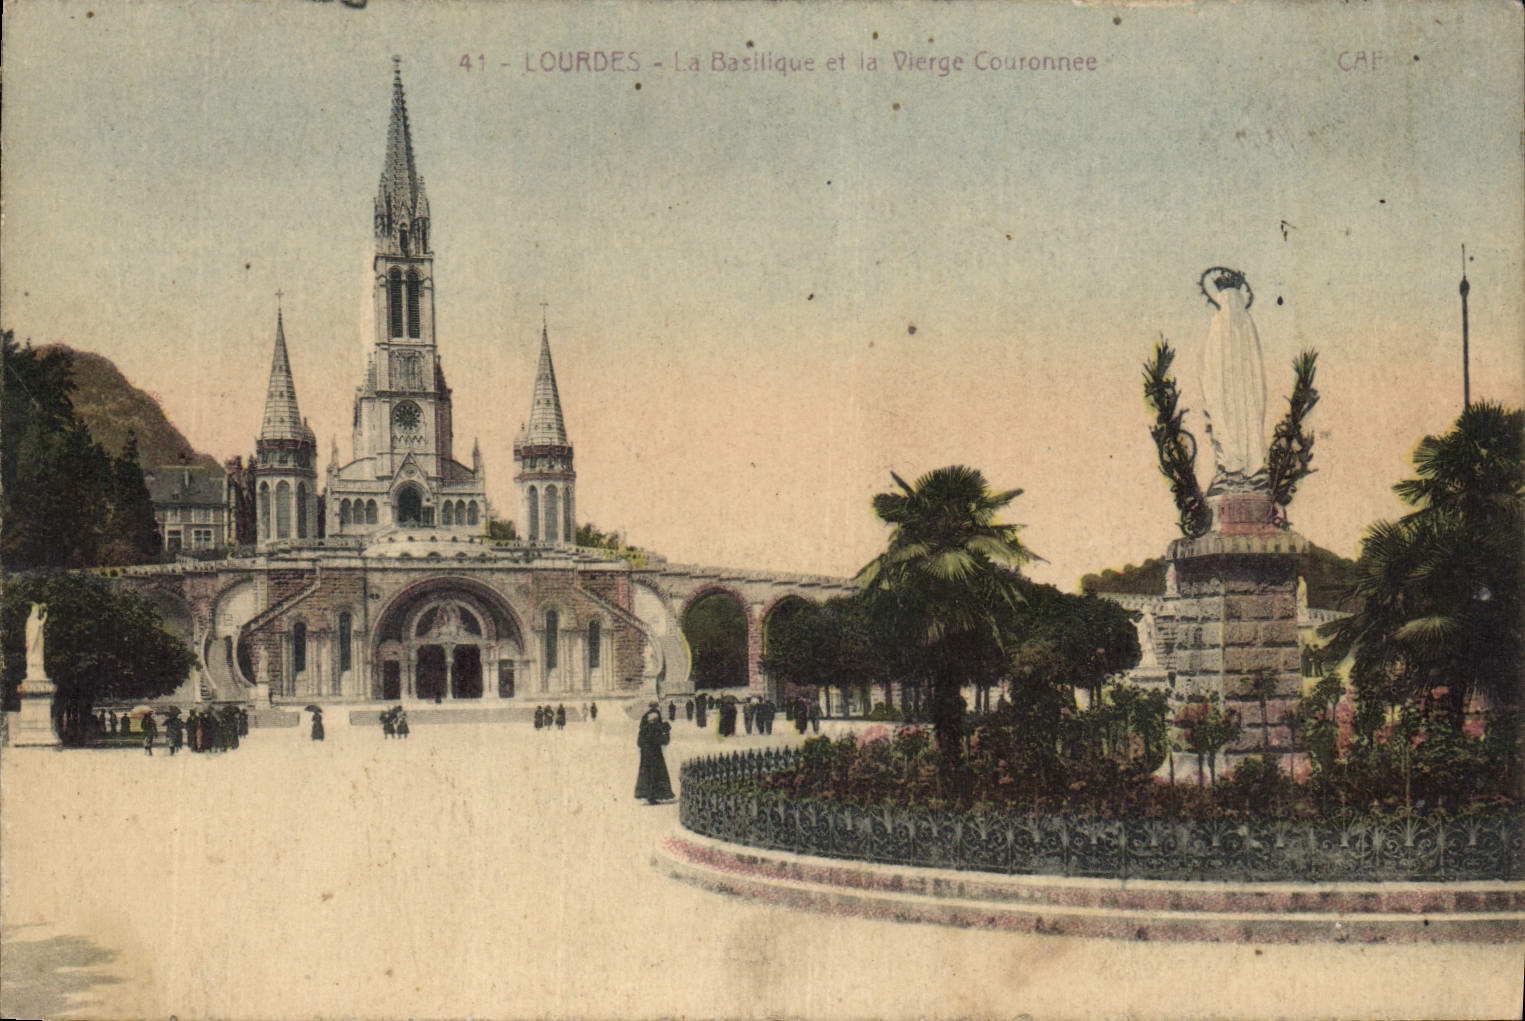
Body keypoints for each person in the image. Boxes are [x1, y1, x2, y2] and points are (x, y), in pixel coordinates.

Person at [633, 704, 674, 804]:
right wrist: (667, 732)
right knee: (656, 775)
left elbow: (639, 743)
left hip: (645, 757)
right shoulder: (655, 729)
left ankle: (648, 795)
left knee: (647, 775)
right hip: (655, 756)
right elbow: (664, 741)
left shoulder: (643, 729)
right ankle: (653, 796)